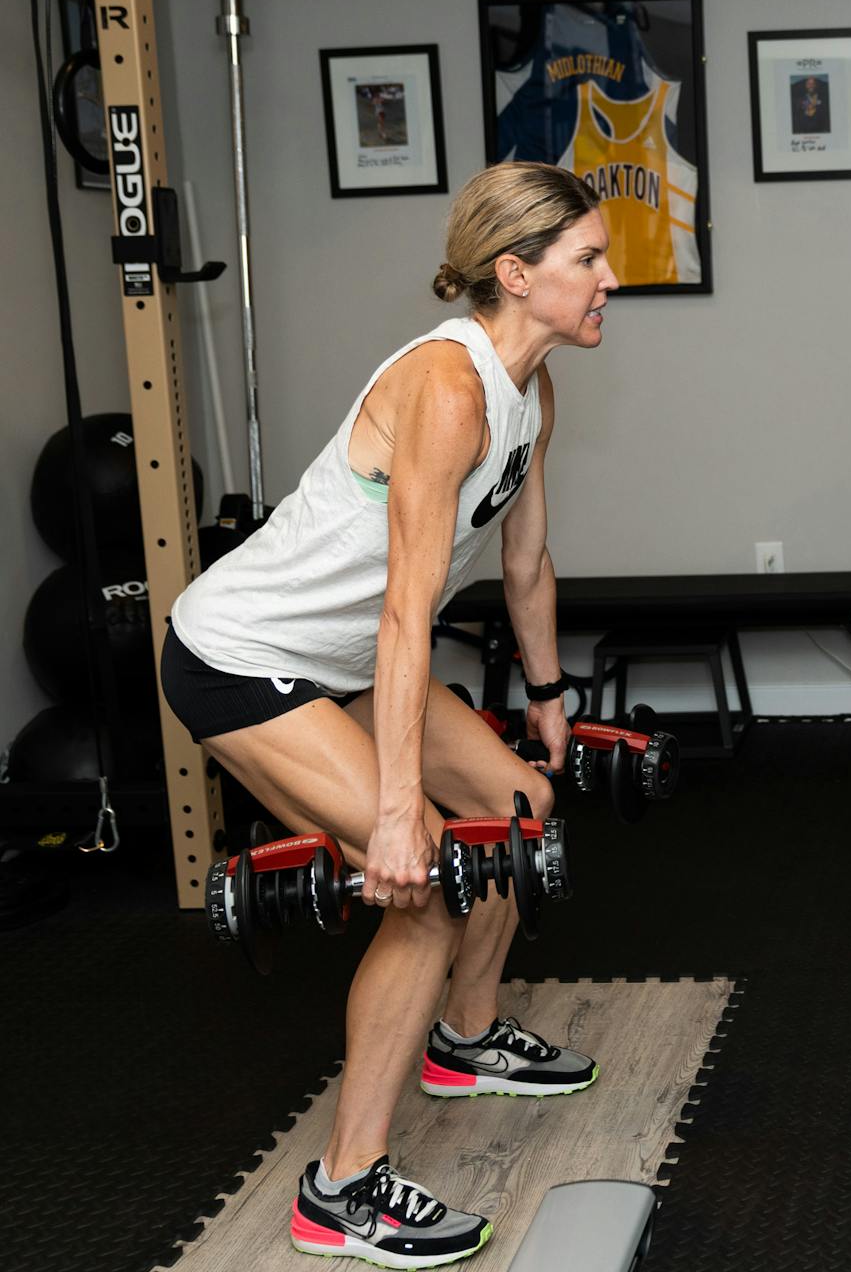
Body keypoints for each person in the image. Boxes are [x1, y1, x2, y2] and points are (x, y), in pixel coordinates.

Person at [160, 161, 621, 1268]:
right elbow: (407, 615)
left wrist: (551, 698)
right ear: (516, 274)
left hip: (343, 657)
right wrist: (399, 806)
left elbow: (526, 560)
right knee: (419, 890)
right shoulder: (448, 389)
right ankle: (340, 1190)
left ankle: (463, 1043)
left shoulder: (533, 392)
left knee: (520, 805)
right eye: (590, 261)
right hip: (243, 657)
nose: (611, 281)